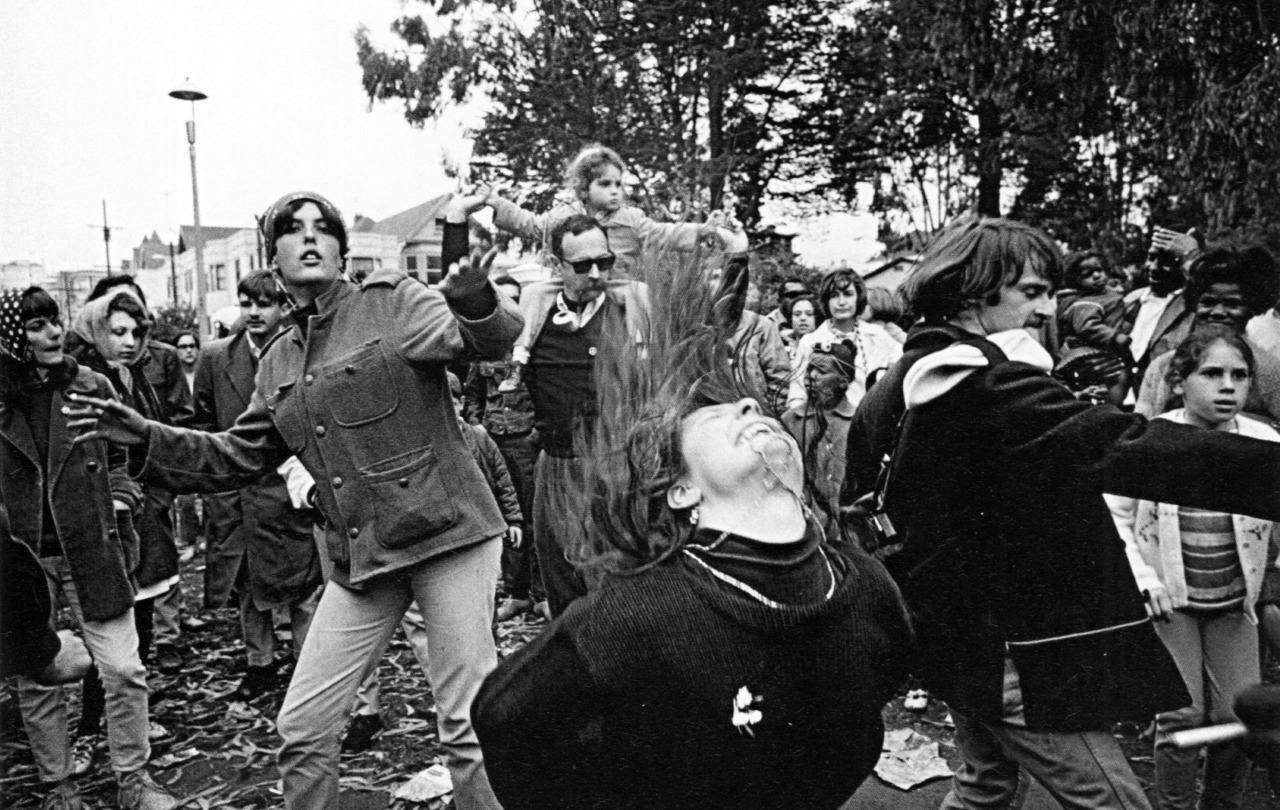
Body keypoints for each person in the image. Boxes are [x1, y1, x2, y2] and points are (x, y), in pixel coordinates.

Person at [64, 190, 523, 810]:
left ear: (341, 248)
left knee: (466, 727)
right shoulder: (278, 359)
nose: (310, 236)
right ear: (273, 256)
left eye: (323, 228)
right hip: (363, 556)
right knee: (302, 730)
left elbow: (481, 342)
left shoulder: (392, 301)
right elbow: (235, 454)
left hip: (450, 539)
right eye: (292, 228)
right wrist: (145, 434)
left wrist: (472, 299)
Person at [844, 217, 1280, 810]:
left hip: (954, 639)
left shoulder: (892, 384)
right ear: (976, 286)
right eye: (1032, 291)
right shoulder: (977, 383)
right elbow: (1126, 446)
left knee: (983, 785)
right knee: (1115, 803)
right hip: (1011, 651)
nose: (1049, 308)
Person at [471, 249, 911, 810]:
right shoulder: (633, 615)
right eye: (718, 414)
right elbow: (505, 716)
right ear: (681, 488)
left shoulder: (865, 583)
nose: (749, 404)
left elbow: (883, 678)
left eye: (752, 407)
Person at [0, 286, 178, 810]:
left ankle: (133, 780)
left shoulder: (90, 384)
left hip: (93, 551)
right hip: (26, 562)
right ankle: (59, 785)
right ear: (10, 336)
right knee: (40, 680)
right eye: (36, 326)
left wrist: (121, 498)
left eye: (54, 320)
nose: (54, 333)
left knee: (124, 668)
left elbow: (122, 457)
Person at [1108, 327, 1280, 810]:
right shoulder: (1155, 440)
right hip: (1172, 605)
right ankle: (1174, 806)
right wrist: (1142, 579)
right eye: (1211, 373)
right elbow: (1115, 516)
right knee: (1181, 716)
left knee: (1242, 719)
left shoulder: (1263, 443)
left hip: (1233, 604)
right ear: (1180, 380)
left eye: (1239, 375)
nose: (1227, 386)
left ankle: (1220, 804)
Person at [344, 371, 523, 753]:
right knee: (414, 626)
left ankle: (478, 700)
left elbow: (501, 480)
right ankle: (382, 710)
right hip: (397, 540)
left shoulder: (475, 437)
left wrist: (512, 520)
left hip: (470, 537)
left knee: (471, 626)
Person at [480, 143, 733, 375]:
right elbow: (531, 225)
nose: (615, 191)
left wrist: (705, 230)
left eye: (618, 184)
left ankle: (640, 351)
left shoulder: (631, 219)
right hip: (569, 284)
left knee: (640, 292)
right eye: (605, 184)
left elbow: (664, 233)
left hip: (613, 284)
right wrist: (496, 202)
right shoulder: (564, 216)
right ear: (583, 188)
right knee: (534, 292)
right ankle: (520, 356)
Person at [190, 270, 323, 701]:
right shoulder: (215, 357)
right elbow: (205, 425)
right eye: (246, 303)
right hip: (240, 493)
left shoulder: (301, 351)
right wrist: (216, 487)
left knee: (303, 586)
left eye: (264, 303)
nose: (253, 312)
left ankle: (308, 668)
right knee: (250, 588)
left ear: (284, 307)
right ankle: (260, 664)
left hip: (292, 491)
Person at [512, 213, 652, 616]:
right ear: (556, 266)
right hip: (555, 466)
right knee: (563, 589)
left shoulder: (631, 312)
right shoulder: (533, 316)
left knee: (616, 590)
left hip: (616, 470)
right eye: (582, 265)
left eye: (604, 262)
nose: (596, 273)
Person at [463, 274, 547, 622]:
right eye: (504, 299)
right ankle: (515, 594)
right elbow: (473, 394)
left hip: (527, 442)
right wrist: (477, 425)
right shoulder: (483, 346)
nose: (511, 305)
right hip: (494, 442)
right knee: (505, 519)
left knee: (534, 518)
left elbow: (547, 393)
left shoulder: (532, 346)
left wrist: (537, 433)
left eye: (517, 298)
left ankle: (542, 594)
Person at [1136, 245, 1280, 420]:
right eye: (1208, 302)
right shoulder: (1163, 366)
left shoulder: (1270, 371)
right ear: (1194, 304)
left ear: (1252, 308)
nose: (1218, 312)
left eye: (1232, 304)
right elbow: (1141, 428)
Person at [787, 268, 902, 411]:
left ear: (858, 298)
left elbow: (902, 369)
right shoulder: (810, 342)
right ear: (826, 300)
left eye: (848, 294)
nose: (841, 302)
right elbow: (797, 396)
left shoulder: (878, 336)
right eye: (834, 295)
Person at [782, 338, 856, 541]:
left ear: (843, 380)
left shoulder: (857, 422)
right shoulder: (791, 420)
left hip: (847, 531)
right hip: (802, 528)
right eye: (809, 370)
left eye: (822, 371)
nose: (811, 377)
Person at [1122, 226, 1199, 394]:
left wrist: (1193, 255)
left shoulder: (1195, 309)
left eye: (1167, 261)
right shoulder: (1130, 300)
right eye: (1151, 258)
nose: (1154, 267)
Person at [780, 293, 820, 358]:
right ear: (791, 319)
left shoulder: (824, 344)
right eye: (797, 314)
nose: (803, 318)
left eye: (809, 314)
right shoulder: (781, 344)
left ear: (816, 318)